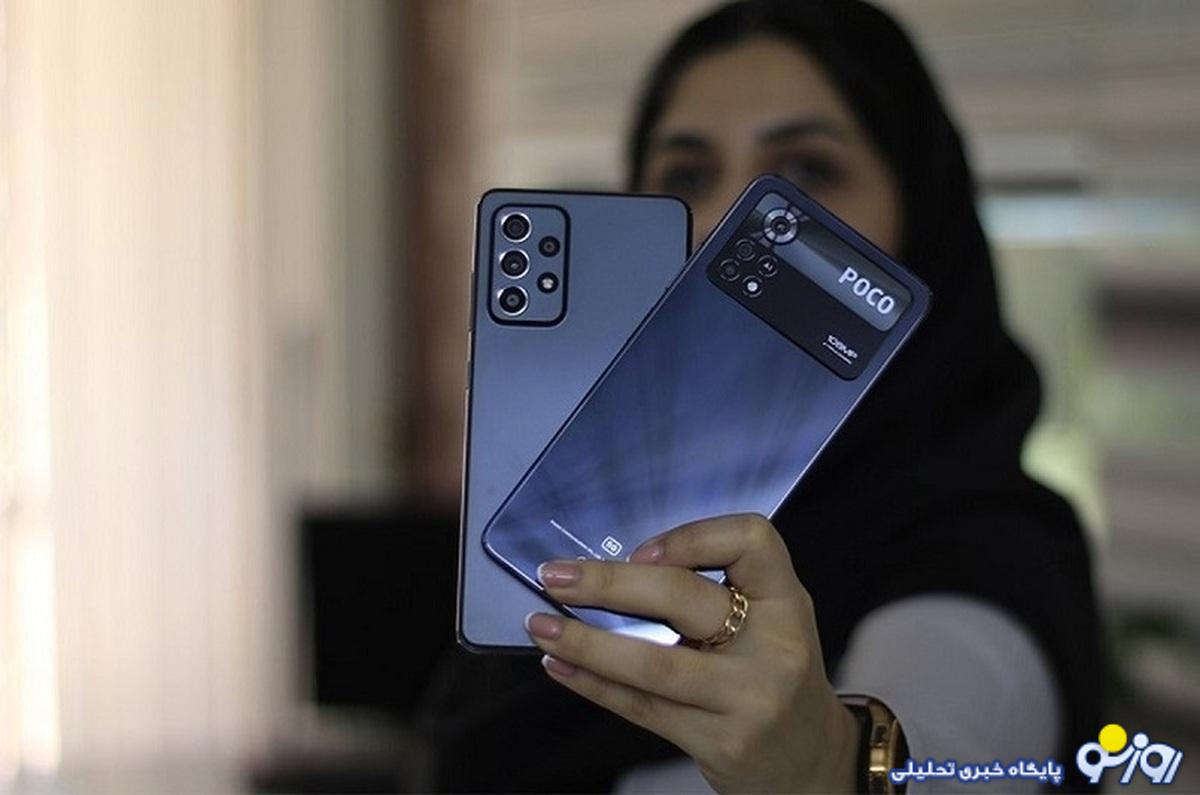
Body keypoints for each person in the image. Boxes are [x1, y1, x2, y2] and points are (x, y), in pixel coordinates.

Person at [419, 1, 1102, 791]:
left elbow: (958, 734)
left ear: (921, 218)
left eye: (808, 171)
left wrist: (826, 761)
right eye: (687, 176)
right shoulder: (578, 517)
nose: (735, 220)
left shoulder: (984, 541)